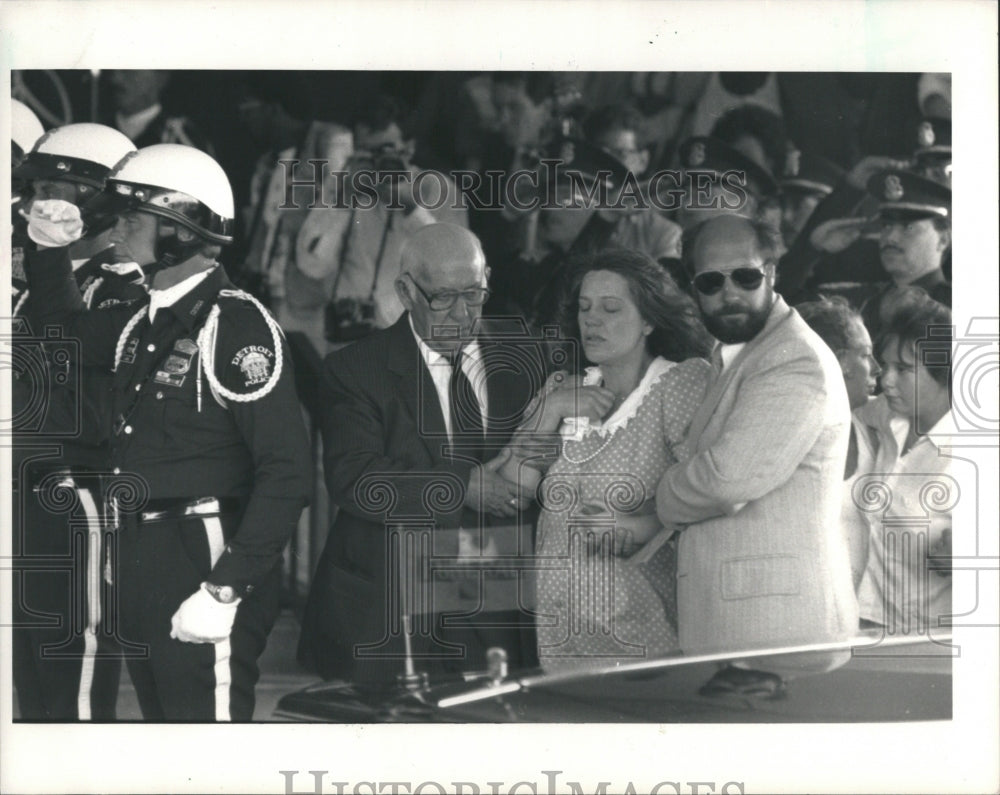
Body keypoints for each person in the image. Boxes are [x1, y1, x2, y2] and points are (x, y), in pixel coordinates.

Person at [21, 143, 311, 721]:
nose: (119, 227)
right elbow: (61, 334)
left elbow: (287, 471)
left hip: (200, 558)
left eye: (135, 216)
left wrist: (225, 588)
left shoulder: (235, 324)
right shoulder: (141, 319)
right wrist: (48, 249)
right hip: (141, 558)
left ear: (181, 228)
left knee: (205, 745)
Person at [298, 223, 543, 689]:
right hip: (391, 606)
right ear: (406, 291)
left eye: (474, 294)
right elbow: (356, 479)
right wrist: (461, 485)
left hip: (495, 601)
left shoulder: (524, 357)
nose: (461, 314)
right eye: (443, 298)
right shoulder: (356, 369)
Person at [655, 215, 858, 676]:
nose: (729, 293)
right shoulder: (740, 352)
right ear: (693, 288)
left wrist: (661, 495)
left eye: (745, 277)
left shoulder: (793, 358)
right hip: (750, 626)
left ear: (771, 273)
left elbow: (728, 479)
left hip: (779, 630)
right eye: (710, 281)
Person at [506, 249, 712, 670]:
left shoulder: (681, 383)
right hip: (559, 626)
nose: (591, 320)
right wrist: (551, 411)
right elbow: (513, 490)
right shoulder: (562, 386)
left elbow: (706, 493)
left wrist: (635, 528)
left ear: (650, 320)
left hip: (642, 624)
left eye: (610, 308)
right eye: (584, 308)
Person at [11, 121, 143, 721]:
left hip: (79, 491)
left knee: (76, 668)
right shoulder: (38, 276)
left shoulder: (123, 286)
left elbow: (63, 343)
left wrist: (46, 254)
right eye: (36, 189)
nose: (40, 203)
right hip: (26, 488)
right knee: (30, 672)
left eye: (56, 190)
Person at [292, 95, 468, 348]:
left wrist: (411, 209)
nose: (374, 164)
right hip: (346, 337)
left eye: (382, 151)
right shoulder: (344, 186)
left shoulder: (437, 190)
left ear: (408, 147)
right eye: (363, 153)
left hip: (408, 343)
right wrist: (341, 205)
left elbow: (454, 270)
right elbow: (311, 266)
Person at [855, 300, 955, 634]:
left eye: (905, 369)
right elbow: (842, 408)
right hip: (865, 623)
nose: (887, 381)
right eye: (885, 366)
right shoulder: (886, 414)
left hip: (933, 641)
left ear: (945, 371)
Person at [797, 296, 882, 589]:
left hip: (873, 611)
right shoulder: (789, 432)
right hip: (813, 606)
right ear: (841, 360)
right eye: (866, 355)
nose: (877, 368)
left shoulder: (875, 423)